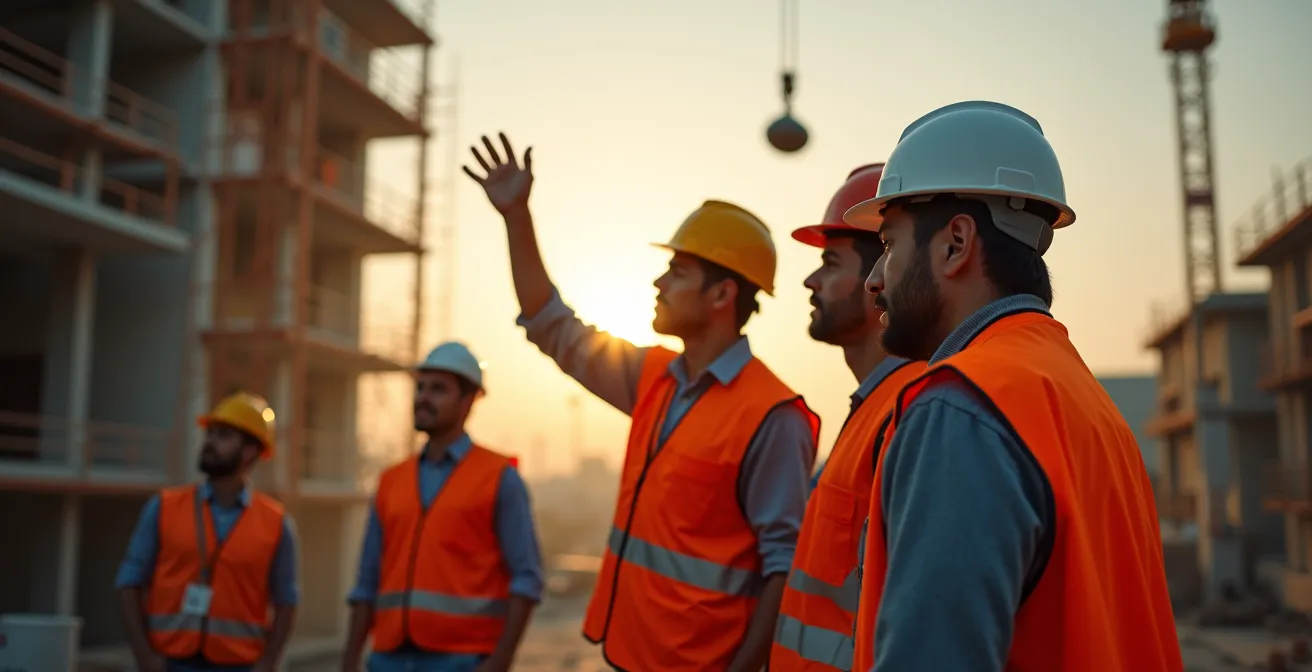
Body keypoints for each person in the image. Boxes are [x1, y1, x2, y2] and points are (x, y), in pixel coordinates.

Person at [463, 133, 820, 671]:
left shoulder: (772, 416)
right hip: (630, 653)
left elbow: (783, 569)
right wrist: (517, 217)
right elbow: (550, 323)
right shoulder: (653, 376)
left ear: (723, 295)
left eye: (678, 273)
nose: (658, 283)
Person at [847, 101, 1183, 671]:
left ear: (955, 244)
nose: (875, 279)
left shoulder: (961, 408)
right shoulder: (1083, 399)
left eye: (889, 244)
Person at [769, 164, 926, 671]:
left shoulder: (909, 415)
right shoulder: (874, 408)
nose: (811, 280)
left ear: (881, 277)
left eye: (831, 263)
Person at [340, 341, 543, 672]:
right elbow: (367, 580)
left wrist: (499, 662)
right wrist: (350, 659)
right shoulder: (391, 481)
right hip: (387, 659)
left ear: (468, 401)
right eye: (420, 387)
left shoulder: (499, 478)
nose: (423, 397)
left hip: (462, 660)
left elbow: (527, 579)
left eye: (438, 390)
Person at [115, 392, 299, 672]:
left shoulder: (277, 523)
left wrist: (267, 664)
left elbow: (287, 601)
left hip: (239, 665)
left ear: (250, 450)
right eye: (210, 433)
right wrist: (145, 658)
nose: (209, 442)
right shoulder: (163, 508)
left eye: (223, 435)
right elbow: (128, 583)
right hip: (169, 663)